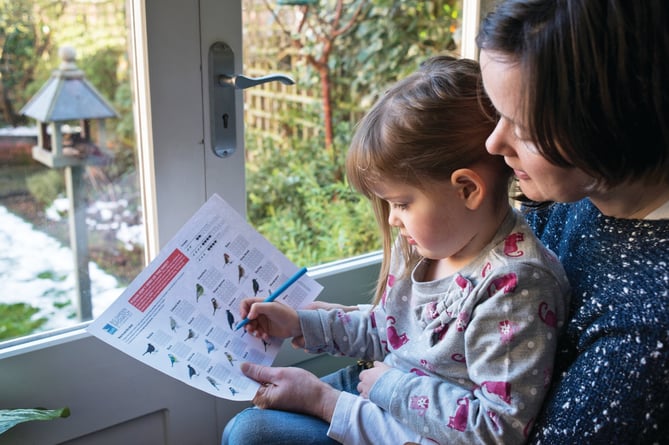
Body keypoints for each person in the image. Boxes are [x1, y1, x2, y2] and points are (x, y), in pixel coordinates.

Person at [222, 56, 570, 444]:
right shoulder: (437, 242)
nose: (391, 219)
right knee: (249, 423)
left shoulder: (514, 286)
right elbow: (389, 328)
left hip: (413, 425)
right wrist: (301, 324)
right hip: (381, 390)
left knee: (248, 433)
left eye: (402, 203)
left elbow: (496, 429)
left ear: (467, 190)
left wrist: (330, 401)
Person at [475, 1, 669, 443]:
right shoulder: (576, 188)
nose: (493, 142)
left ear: (611, 123)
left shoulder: (645, 334)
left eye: (523, 129)